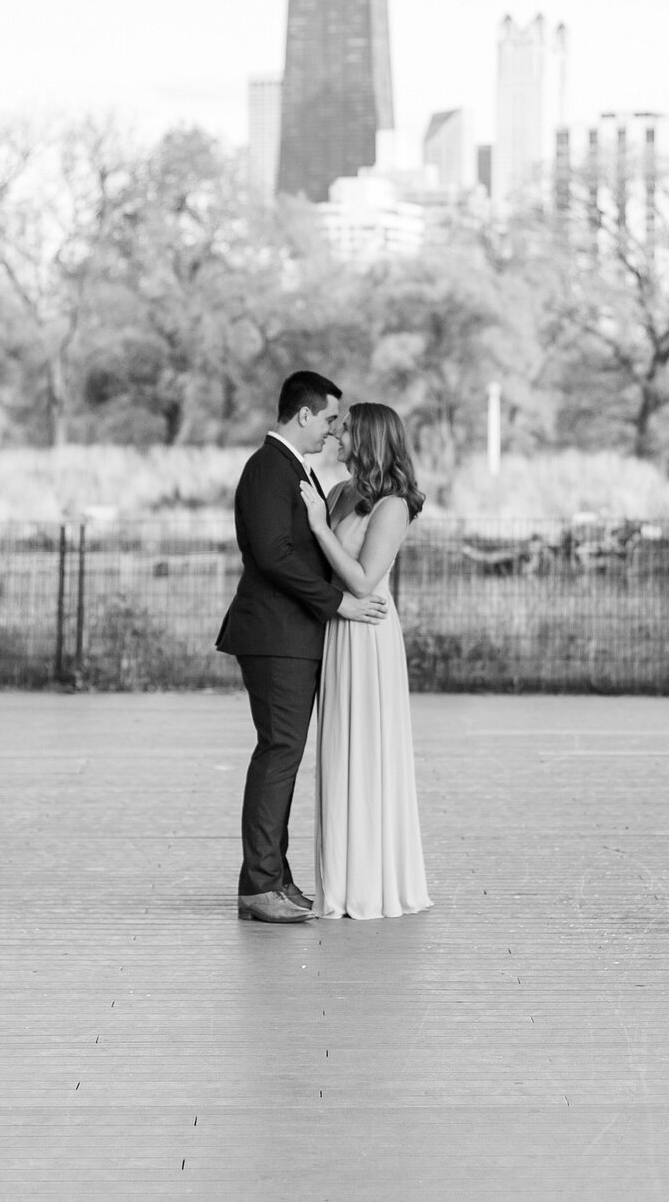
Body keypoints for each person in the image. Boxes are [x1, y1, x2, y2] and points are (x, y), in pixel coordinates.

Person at [216, 371, 390, 924]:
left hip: (295, 636)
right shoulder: (268, 468)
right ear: (306, 415)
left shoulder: (300, 470)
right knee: (278, 755)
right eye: (331, 419)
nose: (335, 429)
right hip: (275, 636)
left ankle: (277, 879)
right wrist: (337, 604)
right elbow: (273, 555)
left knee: (284, 757)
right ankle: (259, 886)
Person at [297, 401, 432, 920]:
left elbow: (362, 578)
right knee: (338, 751)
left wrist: (317, 525)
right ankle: (342, 877)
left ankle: (373, 882)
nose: (336, 436)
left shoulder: (392, 505)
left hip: (368, 634)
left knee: (368, 751)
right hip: (336, 631)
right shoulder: (338, 493)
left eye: (347, 429)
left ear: (371, 439)